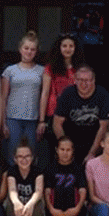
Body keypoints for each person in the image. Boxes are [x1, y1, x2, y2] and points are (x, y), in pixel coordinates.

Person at [0, 31, 44, 165]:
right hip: (13, 117)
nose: (29, 52)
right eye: (26, 48)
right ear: (20, 49)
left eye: (32, 49)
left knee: (31, 153)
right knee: (12, 153)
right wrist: (3, 122)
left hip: (32, 118)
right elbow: (3, 97)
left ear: (36, 51)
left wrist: (41, 121)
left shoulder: (41, 71)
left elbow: (44, 96)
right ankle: (11, 176)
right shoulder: (10, 70)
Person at [53, 65, 109, 165]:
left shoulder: (102, 94)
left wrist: (92, 153)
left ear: (93, 80)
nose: (83, 84)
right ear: (75, 80)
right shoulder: (67, 93)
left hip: (94, 141)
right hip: (71, 140)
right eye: (80, 80)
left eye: (87, 80)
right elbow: (57, 123)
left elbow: (103, 126)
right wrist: (66, 149)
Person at [39, 33, 82, 162]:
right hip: (53, 114)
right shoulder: (50, 68)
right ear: (59, 47)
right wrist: (41, 120)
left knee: (72, 150)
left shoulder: (80, 68)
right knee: (53, 150)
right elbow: (45, 93)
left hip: (74, 114)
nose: (68, 49)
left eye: (71, 46)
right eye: (64, 46)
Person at [44, 135, 87, 216]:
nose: (65, 153)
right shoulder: (50, 168)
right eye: (62, 149)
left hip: (75, 211)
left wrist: (77, 208)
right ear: (57, 150)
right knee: (57, 189)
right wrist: (51, 209)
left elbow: (83, 190)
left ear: (73, 151)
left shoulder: (78, 168)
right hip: (54, 211)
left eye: (68, 150)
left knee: (70, 189)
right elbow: (47, 191)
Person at [6, 138, 44, 216]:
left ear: (32, 158)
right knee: (10, 202)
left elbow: (38, 191)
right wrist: (16, 202)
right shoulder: (12, 171)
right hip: (17, 211)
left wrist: (31, 203)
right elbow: (12, 190)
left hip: (32, 211)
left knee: (38, 202)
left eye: (27, 156)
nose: (24, 159)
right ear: (15, 159)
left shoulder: (37, 171)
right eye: (20, 156)